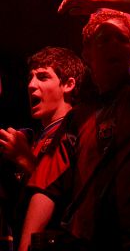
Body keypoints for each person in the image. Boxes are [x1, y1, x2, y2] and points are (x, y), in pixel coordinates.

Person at [21, 12, 130, 251]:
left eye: (122, 39)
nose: (114, 43)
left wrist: (97, 1)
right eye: (104, 39)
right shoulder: (78, 117)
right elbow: (48, 186)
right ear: (87, 54)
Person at [0, 49, 85, 250]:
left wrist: (24, 159)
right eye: (30, 77)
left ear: (68, 84)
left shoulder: (76, 131)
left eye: (43, 77)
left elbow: (70, 199)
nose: (31, 85)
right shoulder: (37, 136)